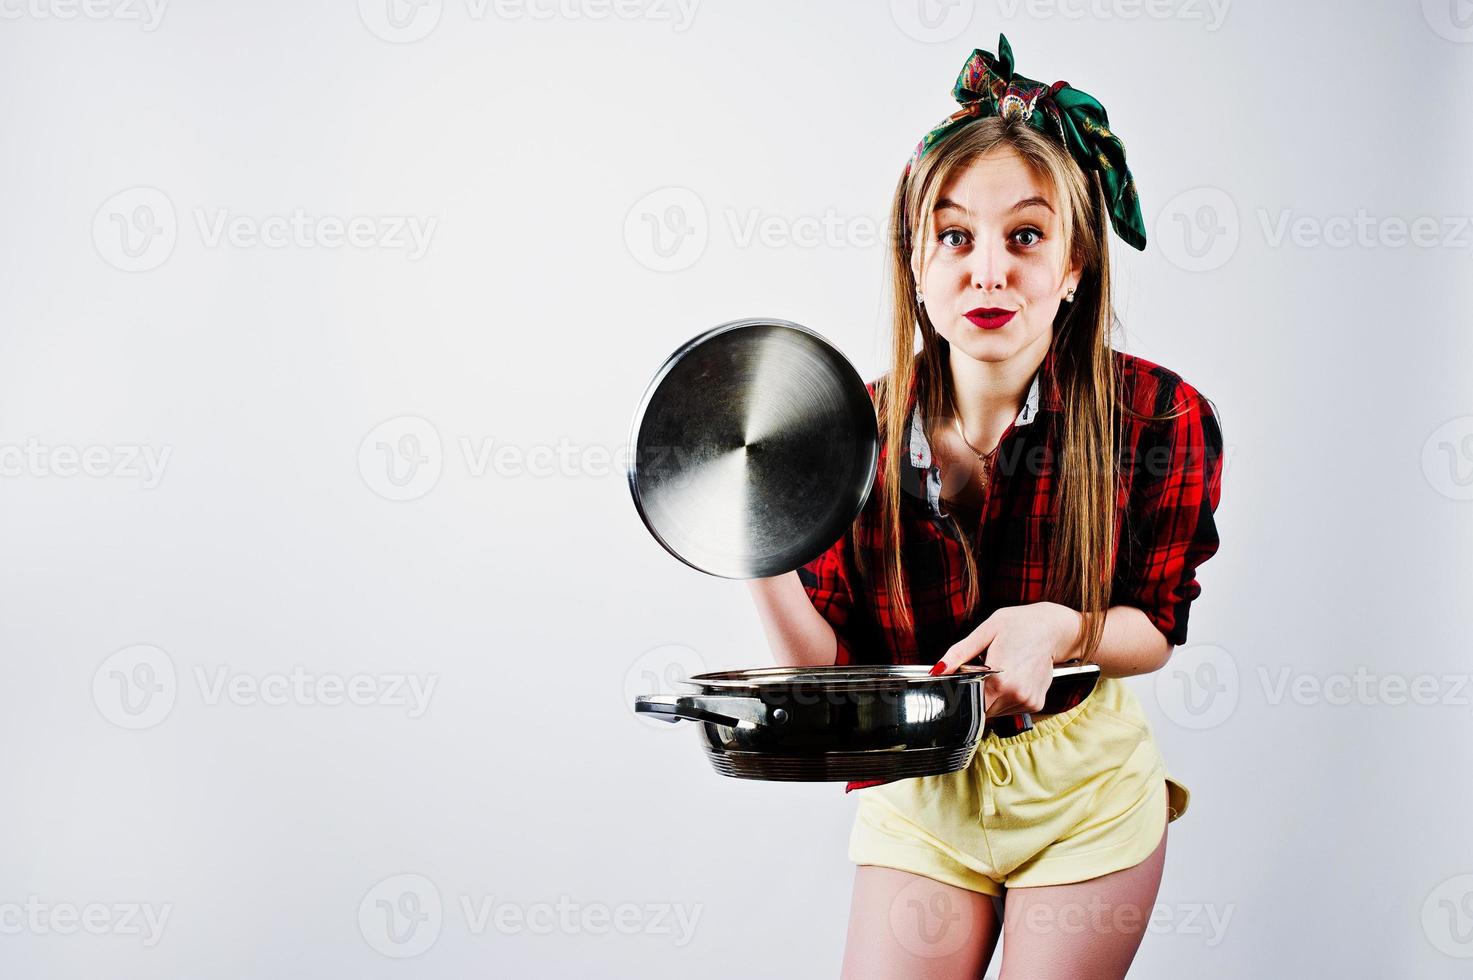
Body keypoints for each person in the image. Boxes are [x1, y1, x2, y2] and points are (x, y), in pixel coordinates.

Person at [745, 36, 1224, 979]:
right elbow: (831, 666)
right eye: (955, 236)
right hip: (922, 793)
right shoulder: (851, 434)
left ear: (1075, 262)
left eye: (1026, 235)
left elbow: (1156, 628)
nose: (989, 271)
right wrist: (756, 535)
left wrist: (1063, 630)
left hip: (1079, 794)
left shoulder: (1162, 417)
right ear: (916, 266)